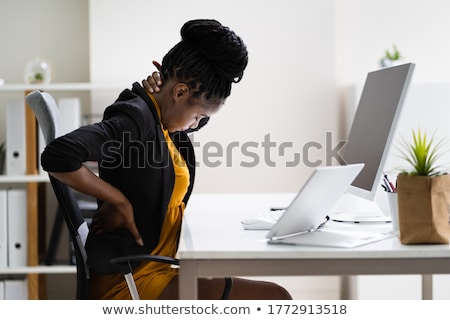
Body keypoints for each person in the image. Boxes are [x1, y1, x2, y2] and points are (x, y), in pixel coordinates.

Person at [41, 19, 292, 300]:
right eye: (197, 116)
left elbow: (186, 118)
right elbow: (59, 155)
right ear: (180, 92)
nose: (195, 124)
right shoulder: (135, 118)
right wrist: (117, 200)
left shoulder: (160, 118)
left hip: (156, 269)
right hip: (132, 282)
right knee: (275, 298)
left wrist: (173, 95)